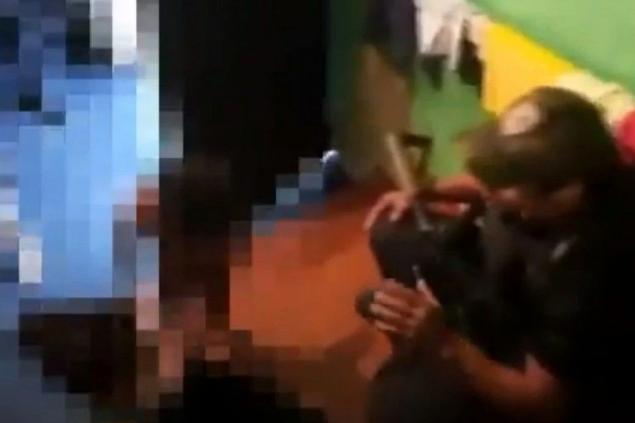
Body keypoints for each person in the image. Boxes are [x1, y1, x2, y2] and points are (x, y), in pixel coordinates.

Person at [360, 86, 635, 423]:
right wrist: (424, 192)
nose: (488, 188)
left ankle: (424, 362)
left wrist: (445, 342)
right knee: (391, 230)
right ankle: (415, 347)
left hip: (521, 348)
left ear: (564, 194)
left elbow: (542, 402)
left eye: (502, 182)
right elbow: (486, 180)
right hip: (497, 287)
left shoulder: (586, 272)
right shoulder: (580, 165)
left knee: (396, 406)